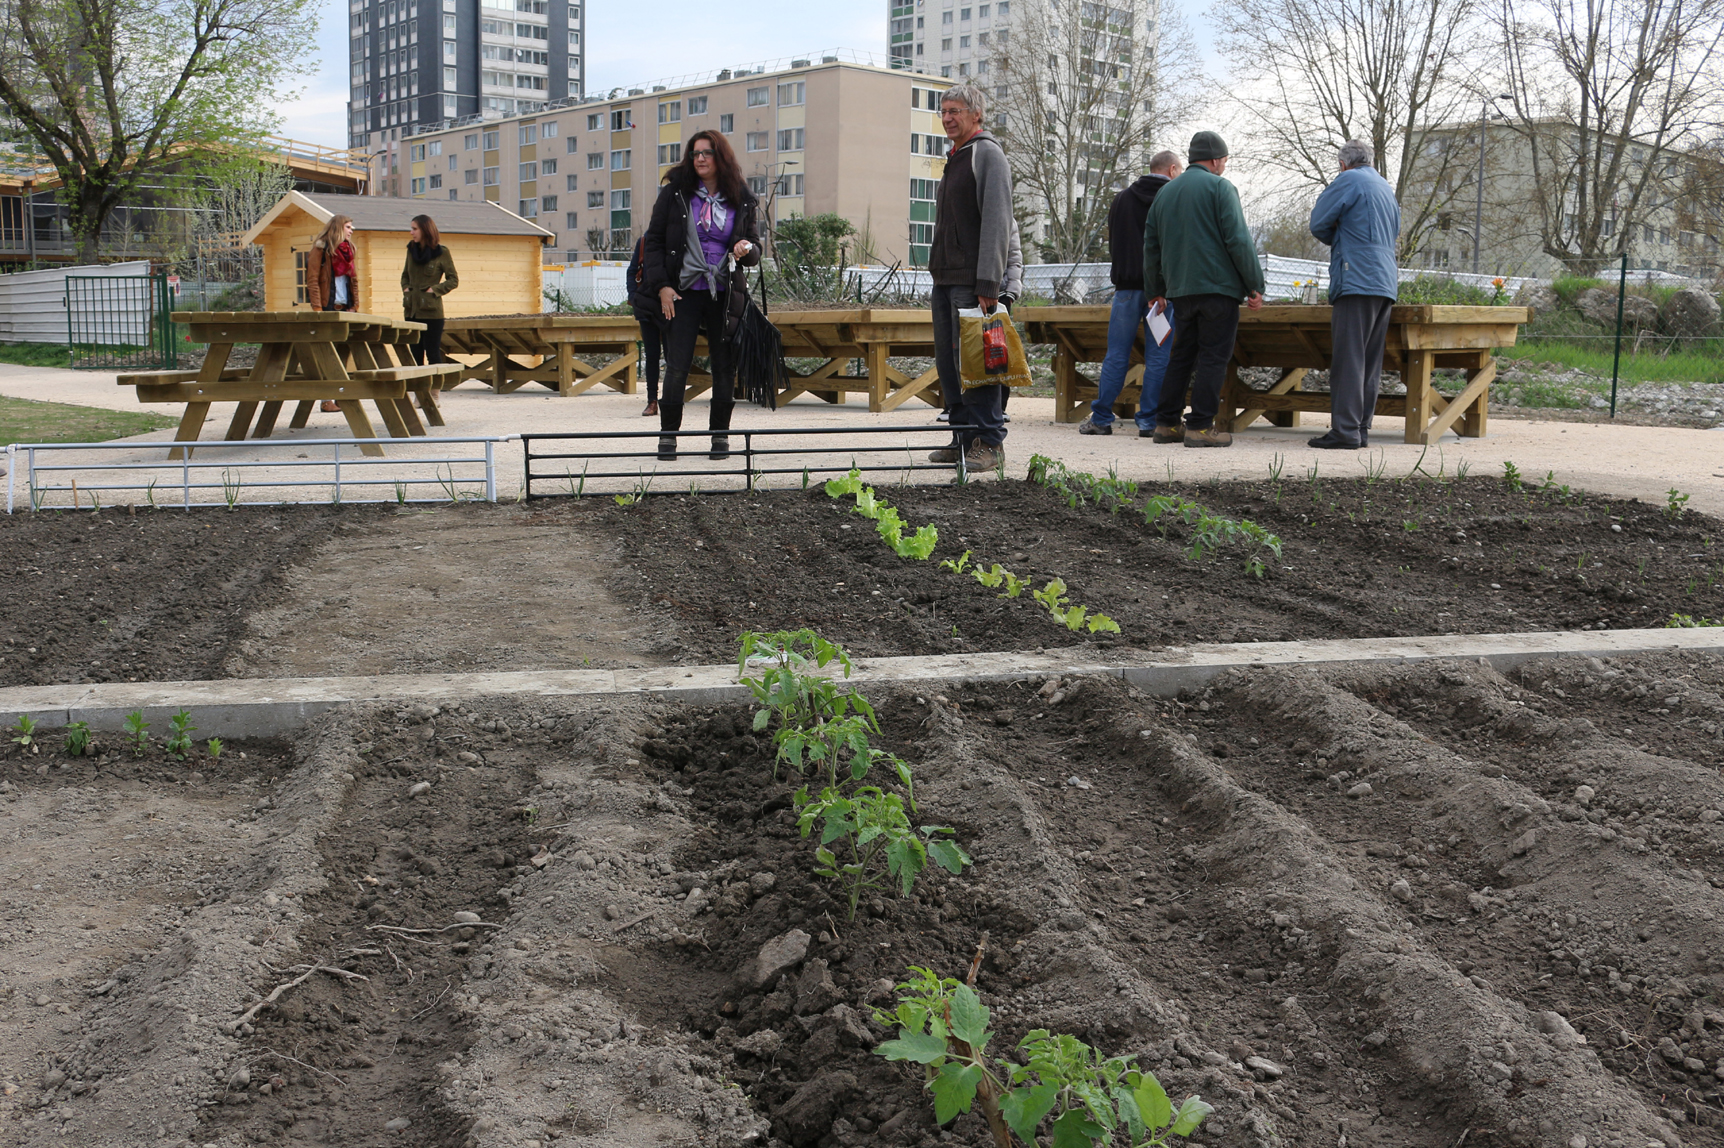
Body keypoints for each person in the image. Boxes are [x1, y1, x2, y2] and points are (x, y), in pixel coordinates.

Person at [640, 128, 761, 461]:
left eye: (707, 153)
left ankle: (719, 439)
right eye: (695, 154)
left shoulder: (742, 196)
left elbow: (754, 249)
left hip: (725, 291)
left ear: (720, 156)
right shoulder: (674, 194)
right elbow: (654, 244)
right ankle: (668, 439)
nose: (700, 159)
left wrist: (745, 248)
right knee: (677, 366)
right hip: (683, 291)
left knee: (724, 367)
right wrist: (662, 286)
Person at [1143, 131, 1265, 448]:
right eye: (1224, 159)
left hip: (1180, 291)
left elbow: (1151, 246)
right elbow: (1238, 239)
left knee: (1181, 356)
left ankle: (1166, 423)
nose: (1224, 165)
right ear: (1215, 160)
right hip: (1218, 288)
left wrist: (1155, 288)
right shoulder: (1220, 188)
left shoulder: (1165, 194)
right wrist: (1254, 284)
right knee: (1213, 356)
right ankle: (1199, 426)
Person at [926, 81, 1014, 471]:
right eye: (944, 112)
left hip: (971, 282)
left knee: (979, 364)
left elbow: (997, 222)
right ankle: (962, 439)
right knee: (950, 363)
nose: (947, 118)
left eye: (954, 111)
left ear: (975, 114)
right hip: (945, 280)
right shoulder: (956, 157)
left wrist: (988, 283)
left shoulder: (987, 155)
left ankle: (989, 443)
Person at [1079, 150, 1184, 436]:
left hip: (1125, 289)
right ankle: (1150, 421)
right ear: (1172, 169)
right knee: (1158, 357)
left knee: (1116, 355)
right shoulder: (1173, 198)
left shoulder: (1122, 199)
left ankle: (1101, 418)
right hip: (1160, 294)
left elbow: (1114, 242)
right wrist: (1162, 287)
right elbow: (1173, 246)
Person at [1307, 139, 1401, 450]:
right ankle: (1360, 429)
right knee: (1370, 360)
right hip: (1385, 280)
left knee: (1349, 359)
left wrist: (1341, 235)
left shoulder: (1348, 180)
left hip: (1356, 276)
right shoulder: (1385, 187)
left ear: (1343, 164)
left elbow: (1318, 222)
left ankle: (1344, 431)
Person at [307, 215, 358, 411]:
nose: (351, 230)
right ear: (338, 228)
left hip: (345, 308)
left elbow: (353, 279)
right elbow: (312, 279)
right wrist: (317, 308)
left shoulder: (349, 249)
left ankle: (339, 397)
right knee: (328, 355)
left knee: (343, 354)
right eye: (348, 226)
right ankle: (326, 400)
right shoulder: (320, 248)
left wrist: (355, 305)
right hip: (327, 308)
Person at [401, 214, 458, 366]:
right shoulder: (411, 250)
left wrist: (434, 290)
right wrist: (406, 288)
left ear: (425, 230)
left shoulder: (442, 252)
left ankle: (435, 389)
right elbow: (405, 275)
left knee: (432, 353)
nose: (411, 232)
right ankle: (419, 388)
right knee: (415, 354)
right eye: (411, 229)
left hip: (432, 312)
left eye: (414, 229)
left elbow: (453, 280)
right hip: (411, 310)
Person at [625, 236, 661, 417]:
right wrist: (634, 297)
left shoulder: (677, 237)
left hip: (673, 306)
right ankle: (652, 401)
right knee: (652, 356)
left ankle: (671, 400)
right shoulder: (645, 241)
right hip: (647, 307)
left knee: (674, 356)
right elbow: (632, 271)